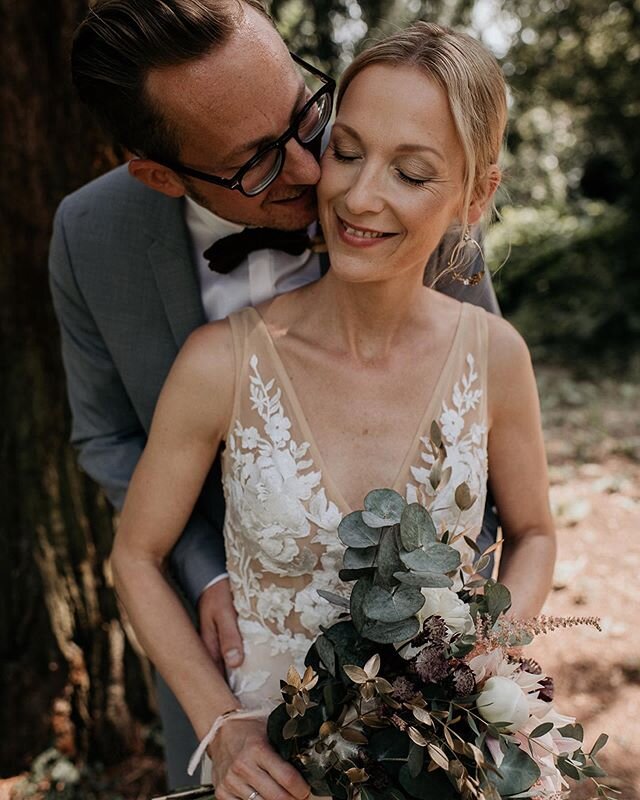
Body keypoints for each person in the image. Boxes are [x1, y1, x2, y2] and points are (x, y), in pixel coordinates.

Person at [50, 0, 501, 786]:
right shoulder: (91, 238)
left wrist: (470, 632)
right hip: (230, 661)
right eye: (257, 161)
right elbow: (107, 437)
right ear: (159, 174)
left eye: (304, 116)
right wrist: (206, 574)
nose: (311, 167)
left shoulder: (398, 180)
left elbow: (478, 415)